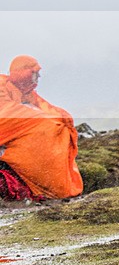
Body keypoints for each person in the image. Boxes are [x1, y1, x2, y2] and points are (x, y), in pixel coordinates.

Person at [0, 55, 83, 201]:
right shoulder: (2, 85)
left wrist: (62, 118)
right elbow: (7, 112)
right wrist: (42, 119)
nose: (37, 77)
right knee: (46, 126)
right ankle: (48, 185)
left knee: (58, 127)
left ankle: (53, 184)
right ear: (23, 73)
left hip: (15, 139)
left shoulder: (28, 93)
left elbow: (45, 108)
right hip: (6, 138)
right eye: (34, 73)